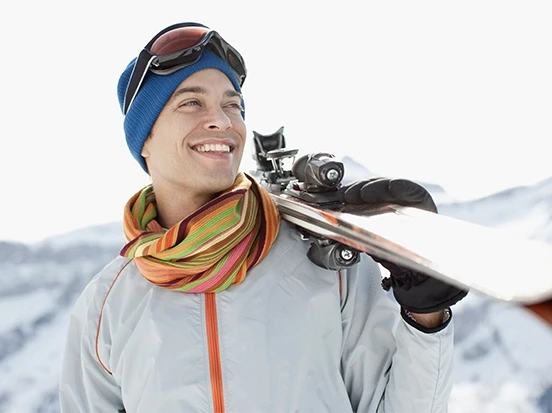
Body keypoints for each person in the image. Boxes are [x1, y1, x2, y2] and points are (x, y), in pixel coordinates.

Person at [59, 22, 468, 413]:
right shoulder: (109, 304)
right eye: (191, 102)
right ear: (144, 137)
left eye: (232, 105)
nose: (222, 119)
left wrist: (424, 315)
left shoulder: (323, 259)